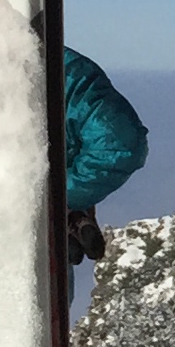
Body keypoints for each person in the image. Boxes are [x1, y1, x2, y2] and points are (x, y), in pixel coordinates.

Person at [62, 47, 148, 272]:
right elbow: (118, 143)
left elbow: (118, 143)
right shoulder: (56, 68)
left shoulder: (49, 67)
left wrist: (57, 196)